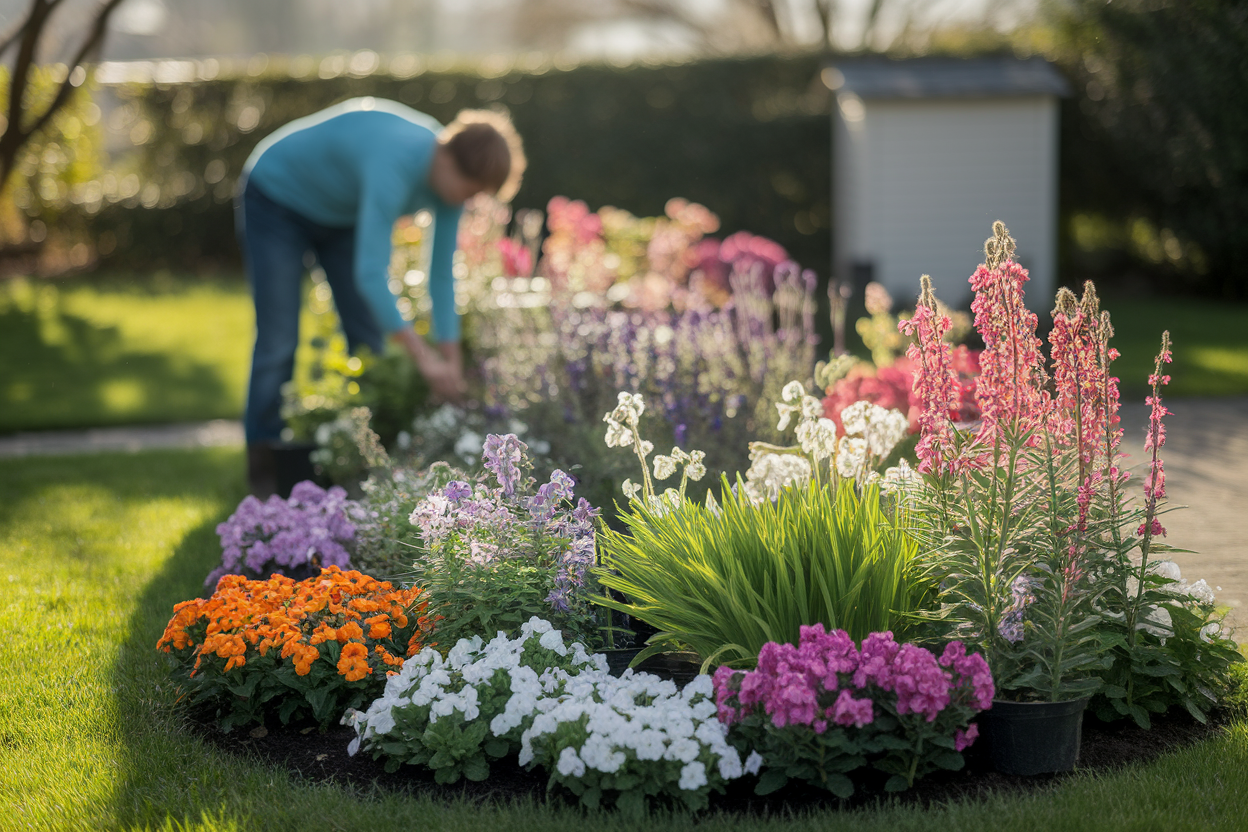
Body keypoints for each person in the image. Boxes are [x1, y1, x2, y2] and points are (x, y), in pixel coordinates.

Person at [235, 98, 525, 497]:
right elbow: (370, 275)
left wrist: (451, 362)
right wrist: (425, 360)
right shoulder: (398, 161)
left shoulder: (451, 186)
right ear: (447, 160)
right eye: (469, 190)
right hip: (277, 194)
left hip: (339, 215)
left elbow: (441, 277)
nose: (469, 200)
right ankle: (264, 474)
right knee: (278, 339)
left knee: (369, 341)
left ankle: (360, 462)